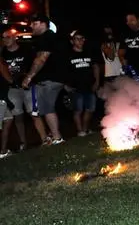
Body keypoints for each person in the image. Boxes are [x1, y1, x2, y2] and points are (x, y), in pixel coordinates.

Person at [21, 15, 66, 144]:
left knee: (48, 109)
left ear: (43, 24)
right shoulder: (54, 37)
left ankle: (57, 138)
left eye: (34, 23)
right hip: (56, 78)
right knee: (47, 108)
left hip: (49, 79)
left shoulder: (45, 38)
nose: (31, 26)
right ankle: (54, 136)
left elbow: (41, 58)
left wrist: (29, 77)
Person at [1, 28, 34, 153]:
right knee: (17, 116)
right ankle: (23, 143)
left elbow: (33, 67)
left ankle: (45, 138)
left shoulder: (26, 51)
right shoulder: (2, 53)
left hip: (27, 86)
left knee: (34, 113)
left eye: (8, 37)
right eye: (3, 37)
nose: (5, 40)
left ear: (15, 37)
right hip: (12, 89)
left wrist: (28, 78)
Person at [64, 30, 102, 137]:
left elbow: (95, 67)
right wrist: (65, 85)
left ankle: (85, 129)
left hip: (89, 85)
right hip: (75, 87)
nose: (80, 41)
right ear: (72, 41)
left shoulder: (89, 52)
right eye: (77, 39)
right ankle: (80, 131)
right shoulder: (68, 55)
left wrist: (97, 82)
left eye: (82, 38)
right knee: (78, 110)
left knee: (90, 109)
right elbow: (62, 71)